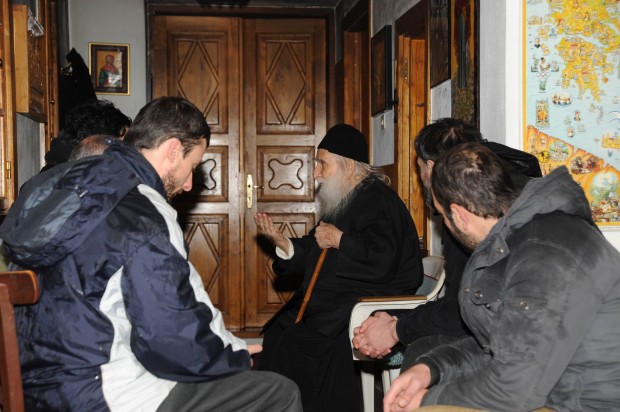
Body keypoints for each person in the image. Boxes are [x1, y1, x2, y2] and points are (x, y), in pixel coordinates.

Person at [0, 97, 301, 412]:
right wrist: (232, 358)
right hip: (96, 394)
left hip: (33, 387)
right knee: (278, 392)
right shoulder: (144, 210)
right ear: (173, 150)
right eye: (192, 167)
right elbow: (168, 337)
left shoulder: (60, 182)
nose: (189, 184)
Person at [384, 143, 620, 411]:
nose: (445, 226)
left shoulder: (544, 253)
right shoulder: (517, 240)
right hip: (556, 396)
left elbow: (514, 388)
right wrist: (432, 368)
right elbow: (502, 349)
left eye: (443, 216)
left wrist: (428, 400)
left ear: (459, 215)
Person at [254, 124, 424, 411]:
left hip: (373, 299)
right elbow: (316, 247)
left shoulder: (378, 200)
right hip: (342, 296)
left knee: (301, 341)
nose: (316, 172)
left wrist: (341, 239)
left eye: (322, 163)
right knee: (278, 330)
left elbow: (384, 260)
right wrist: (284, 244)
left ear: (349, 166)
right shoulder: (345, 199)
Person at [352, 118, 542, 361]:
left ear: (431, 168)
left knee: (423, 354)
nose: (422, 177)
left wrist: (395, 329)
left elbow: (460, 310)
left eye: (419, 168)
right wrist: (395, 323)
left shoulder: (465, 210)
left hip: (518, 341)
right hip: (512, 325)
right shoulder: (516, 186)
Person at [42, 99, 131, 172]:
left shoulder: (61, 167)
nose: (127, 149)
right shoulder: (74, 178)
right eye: (122, 142)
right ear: (97, 141)